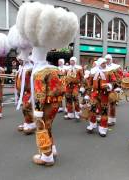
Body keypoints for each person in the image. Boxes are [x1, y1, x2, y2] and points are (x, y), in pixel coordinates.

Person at [16, 1, 78, 166]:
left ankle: (46, 156)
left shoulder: (39, 72)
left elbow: (40, 93)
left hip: (45, 105)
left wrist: (37, 111)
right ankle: (52, 149)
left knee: (42, 127)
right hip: (55, 104)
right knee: (49, 125)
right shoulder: (53, 69)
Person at [86, 58, 117, 137]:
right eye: (103, 63)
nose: (104, 64)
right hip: (95, 93)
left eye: (105, 63)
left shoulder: (109, 71)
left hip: (105, 94)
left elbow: (114, 81)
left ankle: (103, 128)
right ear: (99, 64)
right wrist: (87, 93)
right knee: (92, 109)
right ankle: (92, 124)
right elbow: (89, 82)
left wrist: (109, 85)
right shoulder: (93, 72)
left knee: (104, 111)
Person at [105, 54, 122, 126]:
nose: (107, 61)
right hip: (104, 88)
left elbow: (120, 77)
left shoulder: (116, 67)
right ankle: (104, 118)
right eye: (106, 59)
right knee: (104, 104)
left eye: (108, 59)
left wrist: (118, 87)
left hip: (113, 88)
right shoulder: (103, 67)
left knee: (112, 104)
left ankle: (112, 119)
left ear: (111, 59)